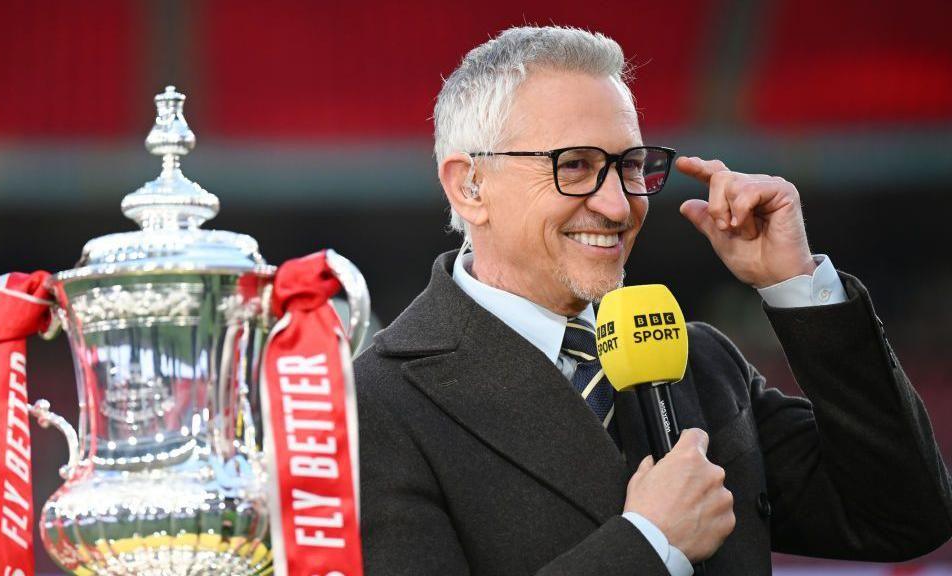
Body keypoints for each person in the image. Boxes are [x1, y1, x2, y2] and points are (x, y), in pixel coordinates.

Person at [354, 26, 952, 575]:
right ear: (469, 186)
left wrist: (796, 288)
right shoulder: (375, 405)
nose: (619, 206)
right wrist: (649, 544)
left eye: (631, 165)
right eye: (578, 166)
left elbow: (904, 515)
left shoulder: (703, 363)